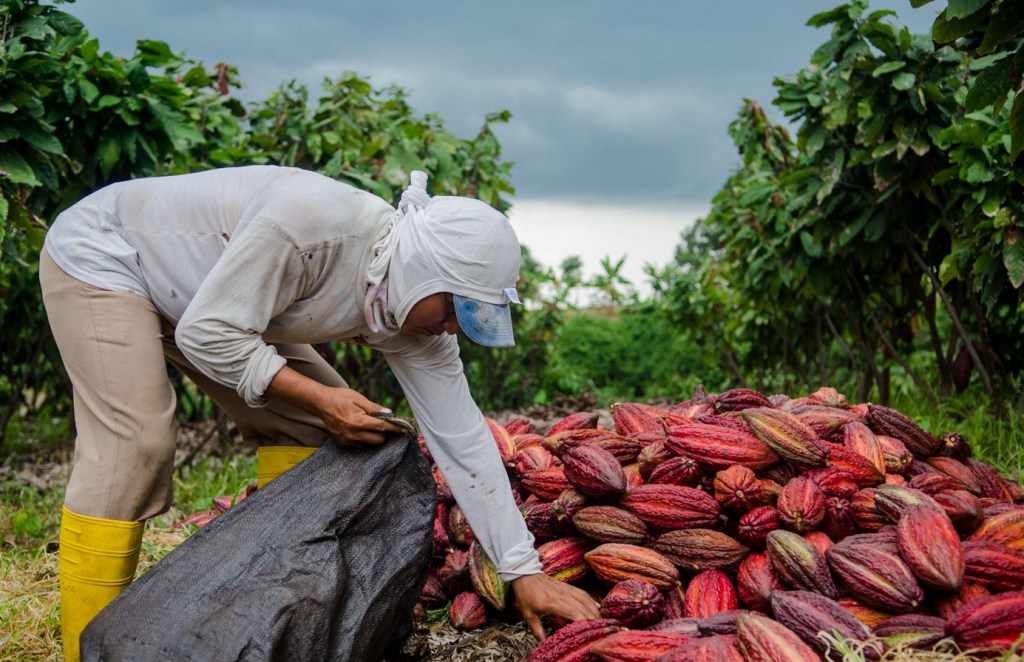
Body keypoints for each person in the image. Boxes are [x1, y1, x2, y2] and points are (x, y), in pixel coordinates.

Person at [39, 165, 600, 661]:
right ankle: (89, 645)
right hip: (109, 257)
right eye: (457, 309)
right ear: (426, 272)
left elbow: (462, 437)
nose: (454, 327)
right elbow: (208, 333)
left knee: (321, 435)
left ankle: (264, 605)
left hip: (213, 300)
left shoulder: (413, 313)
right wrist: (325, 400)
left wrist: (522, 570)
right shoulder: (312, 228)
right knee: (136, 446)